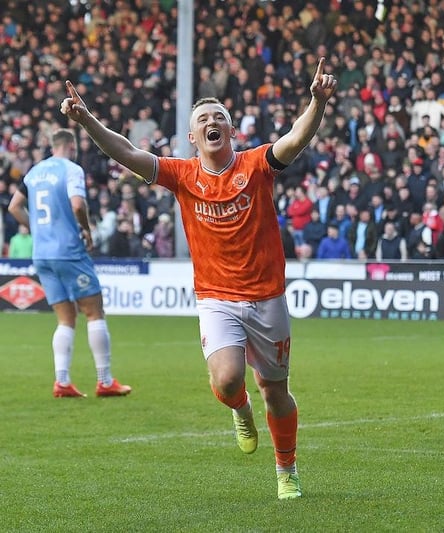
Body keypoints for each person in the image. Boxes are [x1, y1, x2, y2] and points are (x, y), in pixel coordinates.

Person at [60, 58, 338, 500]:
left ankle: (287, 470)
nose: (212, 122)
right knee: (228, 380)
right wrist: (88, 120)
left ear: (231, 131)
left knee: (276, 389)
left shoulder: (256, 165)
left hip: (267, 298)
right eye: (203, 119)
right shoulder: (182, 174)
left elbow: (295, 139)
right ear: (192, 138)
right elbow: (127, 152)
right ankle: (240, 410)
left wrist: (317, 103)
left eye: (219, 118)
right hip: (216, 298)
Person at [7, 129, 131, 399]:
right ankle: (105, 380)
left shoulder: (34, 172)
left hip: (42, 255)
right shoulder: (71, 170)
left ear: (53, 146)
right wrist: (86, 230)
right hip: (68, 251)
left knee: (66, 318)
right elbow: (77, 205)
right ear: (71, 147)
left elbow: (14, 207)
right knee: (94, 311)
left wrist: (37, 230)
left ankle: (62, 382)